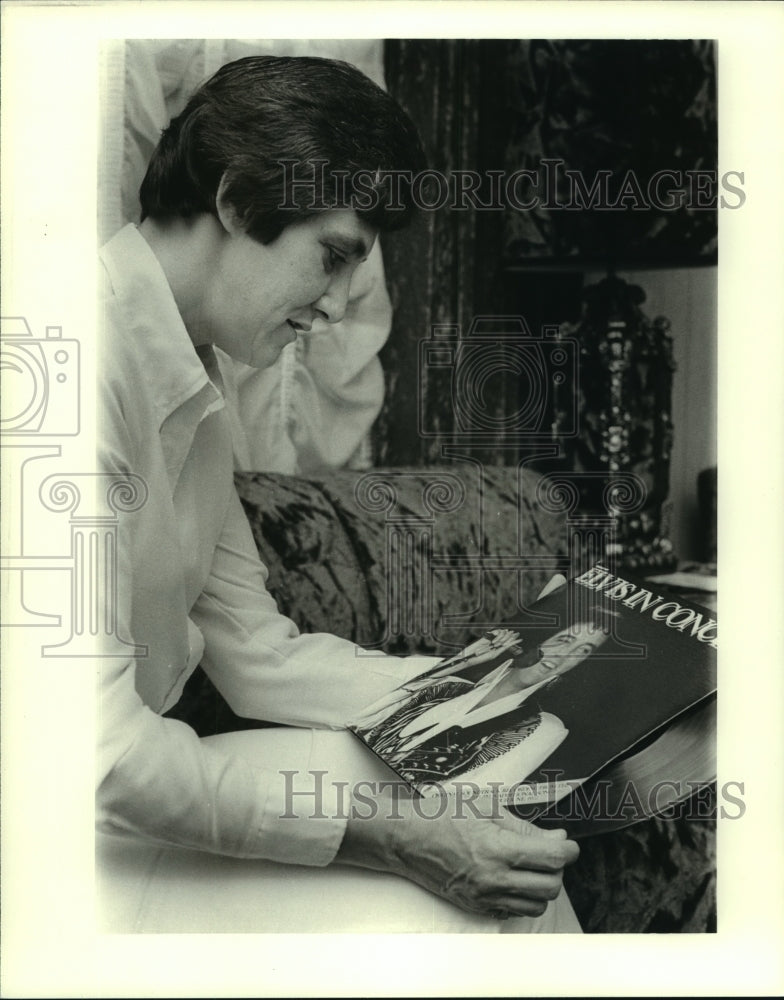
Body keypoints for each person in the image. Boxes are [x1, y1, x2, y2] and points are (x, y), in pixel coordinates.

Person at [96, 54, 581, 932]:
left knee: (495, 798)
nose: (336, 307)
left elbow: (258, 653)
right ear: (239, 201)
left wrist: (501, 692)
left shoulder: (191, 369)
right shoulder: (65, 366)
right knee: (438, 900)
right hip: (59, 835)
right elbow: (99, 759)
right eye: (332, 257)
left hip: (132, 791)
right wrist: (395, 837)